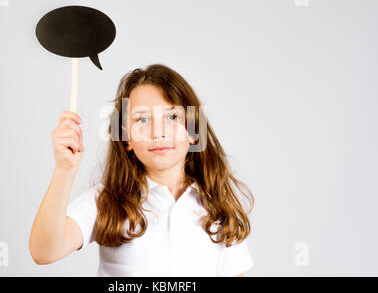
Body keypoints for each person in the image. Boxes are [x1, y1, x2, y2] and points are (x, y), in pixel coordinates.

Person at [29, 63, 255, 276]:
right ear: (126, 137)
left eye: (172, 116)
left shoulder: (218, 204)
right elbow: (45, 251)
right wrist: (64, 171)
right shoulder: (107, 200)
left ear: (193, 130)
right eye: (142, 120)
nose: (158, 132)